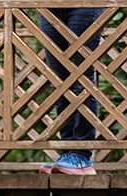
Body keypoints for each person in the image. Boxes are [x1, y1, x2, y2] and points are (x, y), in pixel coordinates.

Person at [38, 6, 103, 176]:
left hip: (84, 6)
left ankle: (81, 156)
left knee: (80, 78)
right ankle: (67, 153)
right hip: (49, 7)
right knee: (60, 83)